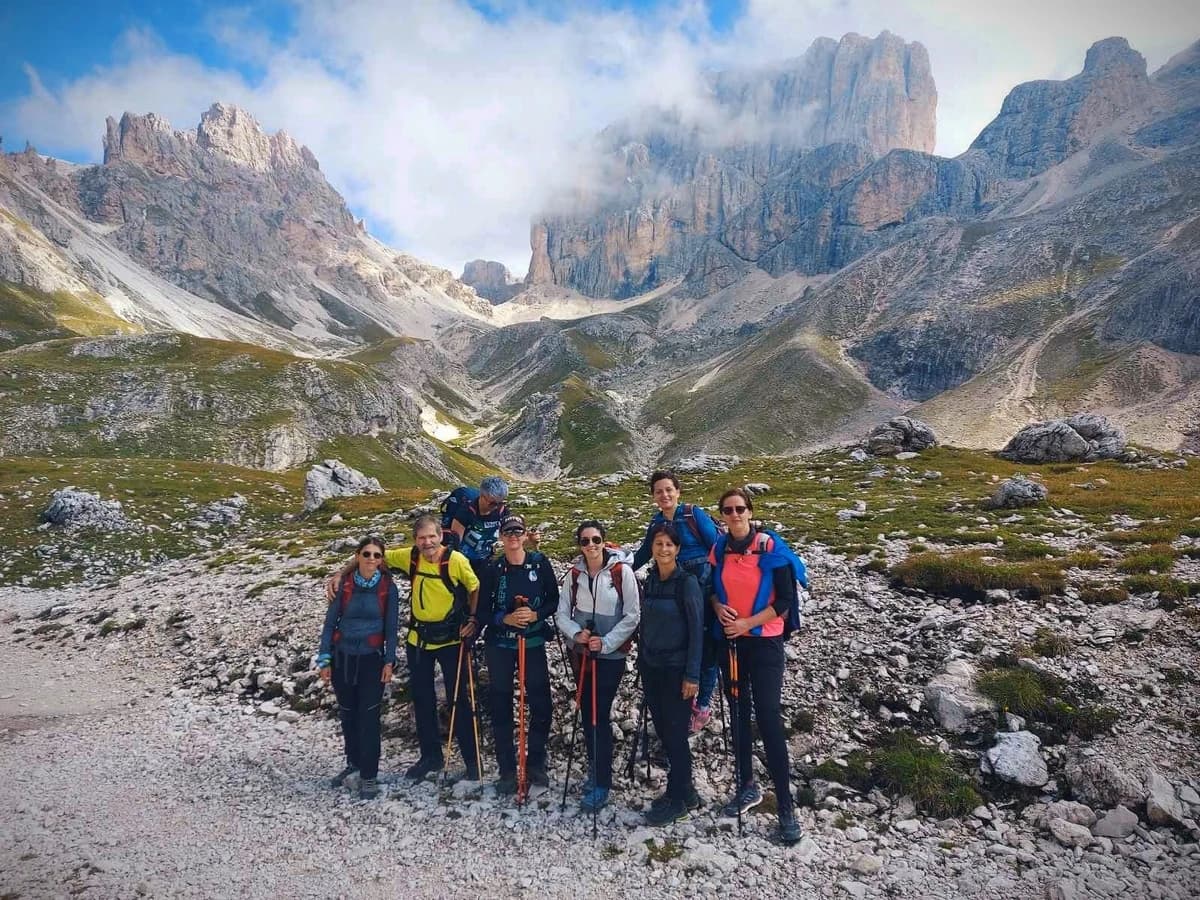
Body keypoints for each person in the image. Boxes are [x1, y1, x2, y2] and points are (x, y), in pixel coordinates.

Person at [710, 487, 802, 845]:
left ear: (750, 511)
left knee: (767, 716)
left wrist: (746, 623)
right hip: (732, 643)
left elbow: (785, 601)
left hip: (764, 641)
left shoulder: (769, 548)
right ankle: (747, 786)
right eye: (728, 510)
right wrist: (719, 609)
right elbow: (714, 590)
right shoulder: (719, 549)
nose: (734, 515)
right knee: (737, 714)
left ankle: (786, 806)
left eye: (739, 509)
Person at [385, 515, 481, 782]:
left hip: (451, 640)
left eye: (431, 536)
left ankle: (472, 762)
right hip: (419, 641)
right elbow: (374, 554)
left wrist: (472, 620)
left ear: (441, 536)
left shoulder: (456, 560)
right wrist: (340, 575)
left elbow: (475, 588)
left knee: (459, 700)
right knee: (422, 699)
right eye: (421, 538)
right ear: (415, 540)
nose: (427, 542)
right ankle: (431, 757)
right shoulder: (410, 557)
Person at [556, 520, 640, 813]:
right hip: (580, 653)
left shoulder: (622, 572)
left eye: (595, 540)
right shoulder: (574, 574)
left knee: (598, 713)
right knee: (587, 711)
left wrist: (605, 643)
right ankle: (596, 770)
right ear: (579, 544)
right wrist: (576, 634)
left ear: (604, 541)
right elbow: (561, 612)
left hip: (611, 656)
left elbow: (632, 616)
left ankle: (602, 780)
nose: (590, 546)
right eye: (584, 541)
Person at [631, 470, 719, 733]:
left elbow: (717, 548)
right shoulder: (656, 523)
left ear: (678, 491)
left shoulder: (693, 514)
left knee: (705, 648)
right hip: (673, 592)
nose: (664, 495)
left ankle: (702, 705)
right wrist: (618, 566)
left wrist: (719, 595)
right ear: (653, 496)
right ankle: (681, 698)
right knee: (684, 643)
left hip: (703, 592)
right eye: (659, 491)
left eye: (669, 489)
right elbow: (645, 553)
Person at [477, 514, 559, 795]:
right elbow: (482, 612)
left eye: (518, 531)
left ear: (525, 535)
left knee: (541, 703)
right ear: (501, 536)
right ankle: (507, 769)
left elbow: (553, 600)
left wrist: (536, 613)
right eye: (508, 531)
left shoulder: (540, 563)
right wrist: (504, 619)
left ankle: (536, 761)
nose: (513, 536)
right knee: (500, 705)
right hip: (500, 645)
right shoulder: (493, 569)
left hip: (533, 641)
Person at [316, 535, 400, 800]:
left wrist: (389, 660)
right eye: (367, 554)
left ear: (382, 559)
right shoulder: (345, 585)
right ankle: (353, 763)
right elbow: (330, 624)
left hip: (371, 660)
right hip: (343, 658)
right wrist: (324, 659)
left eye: (376, 555)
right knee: (348, 713)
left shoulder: (388, 587)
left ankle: (369, 775)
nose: (371, 559)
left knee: (369, 715)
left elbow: (391, 628)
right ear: (357, 556)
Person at [638, 522, 703, 826]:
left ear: (677, 549)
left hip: (678, 671)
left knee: (675, 735)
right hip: (652, 668)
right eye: (658, 544)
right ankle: (686, 792)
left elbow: (696, 632)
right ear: (652, 548)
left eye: (669, 545)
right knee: (665, 730)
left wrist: (692, 675)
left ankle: (677, 800)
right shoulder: (651, 581)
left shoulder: (686, 583)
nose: (663, 549)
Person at [446, 475, 511, 576]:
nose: (496, 507)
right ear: (481, 496)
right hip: (464, 561)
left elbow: (509, 537)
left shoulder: (503, 511)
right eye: (493, 503)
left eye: (501, 503)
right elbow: (455, 543)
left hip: (485, 560)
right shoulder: (465, 512)